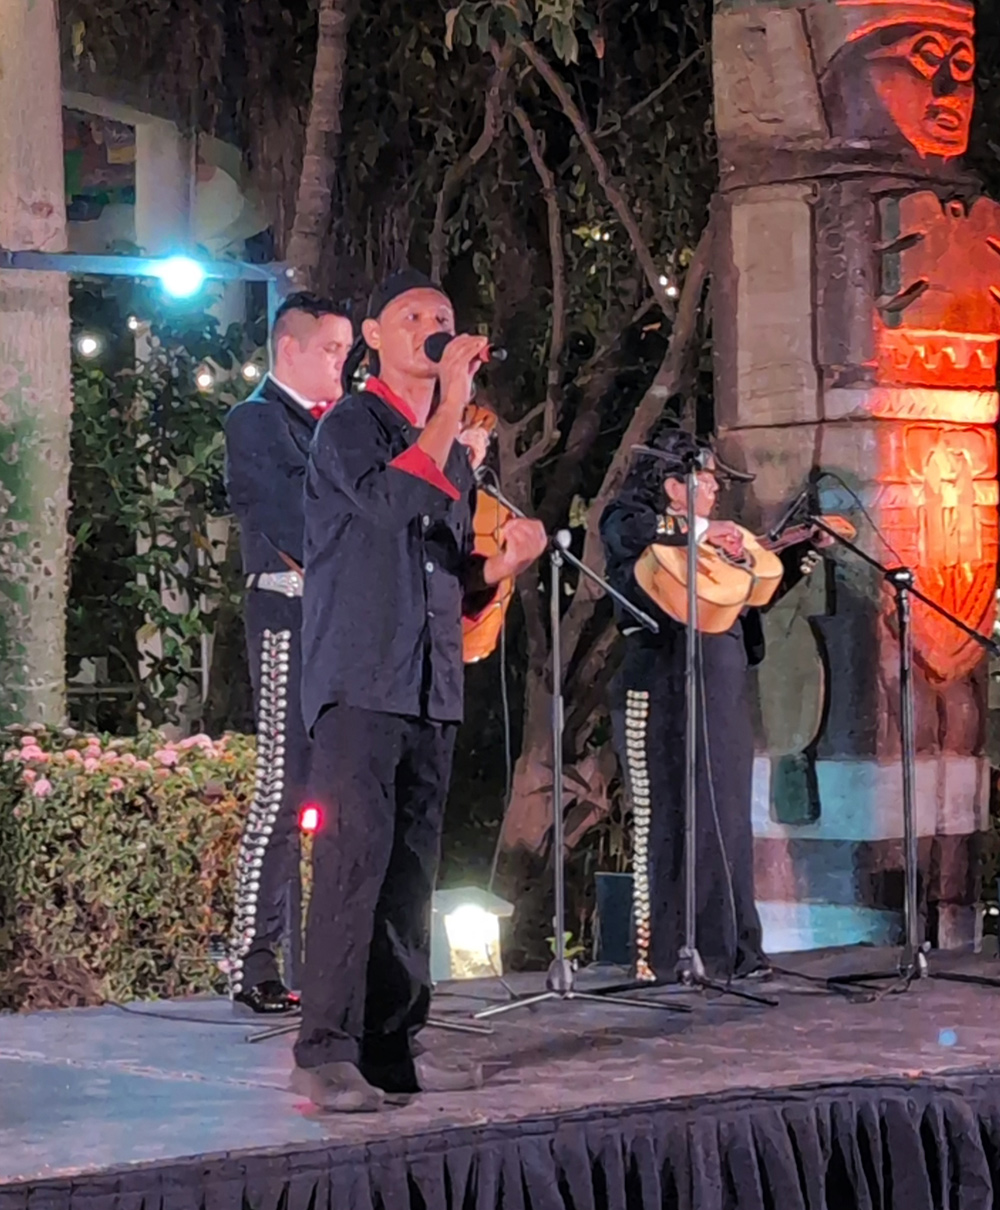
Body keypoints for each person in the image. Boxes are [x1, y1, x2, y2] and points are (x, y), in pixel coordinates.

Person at [292, 269, 547, 1112]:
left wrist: (499, 567)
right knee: (353, 865)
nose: (432, 326)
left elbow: (445, 572)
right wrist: (450, 409)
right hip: (361, 679)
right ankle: (325, 1050)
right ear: (373, 336)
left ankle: (395, 1044)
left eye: (442, 315)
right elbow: (388, 503)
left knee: (410, 873)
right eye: (412, 317)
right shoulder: (349, 426)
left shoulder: (445, 446)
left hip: (430, 682)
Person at [600, 428, 823, 986]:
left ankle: (734, 950)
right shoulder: (632, 521)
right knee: (668, 817)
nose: (715, 490)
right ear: (673, 486)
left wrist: (797, 554)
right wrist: (705, 533)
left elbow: (746, 600)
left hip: (721, 685)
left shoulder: (717, 538)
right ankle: (668, 954)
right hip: (661, 685)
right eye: (704, 480)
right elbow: (629, 534)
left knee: (726, 816)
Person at [223, 292, 354, 1014]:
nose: (341, 364)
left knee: (343, 790)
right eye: (331, 350)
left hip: (340, 620)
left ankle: (335, 958)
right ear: (290, 349)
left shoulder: (339, 424)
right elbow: (286, 518)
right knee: (283, 784)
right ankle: (253, 959)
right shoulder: (257, 421)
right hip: (286, 614)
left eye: (345, 351)